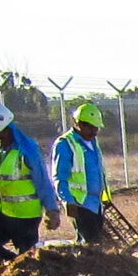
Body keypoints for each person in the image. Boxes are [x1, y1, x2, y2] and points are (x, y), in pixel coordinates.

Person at [0, 104, 60, 263]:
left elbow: (43, 182)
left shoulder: (28, 150)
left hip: (27, 216)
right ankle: (13, 268)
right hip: (3, 212)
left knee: (27, 256)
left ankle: (23, 270)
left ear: (10, 128)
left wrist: (52, 210)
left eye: (1, 131)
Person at [55, 100, 113, 245]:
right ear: (79, 124)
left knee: (94, 245)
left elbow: (98, 172)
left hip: (96, 204)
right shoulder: (65, 144)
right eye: (90, 128)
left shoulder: (93, 143)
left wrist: (105, 196)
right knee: (91, 244)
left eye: (96, 128)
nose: (94, 132)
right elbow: (59, 177)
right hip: (80, 204)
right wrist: (67, 201)